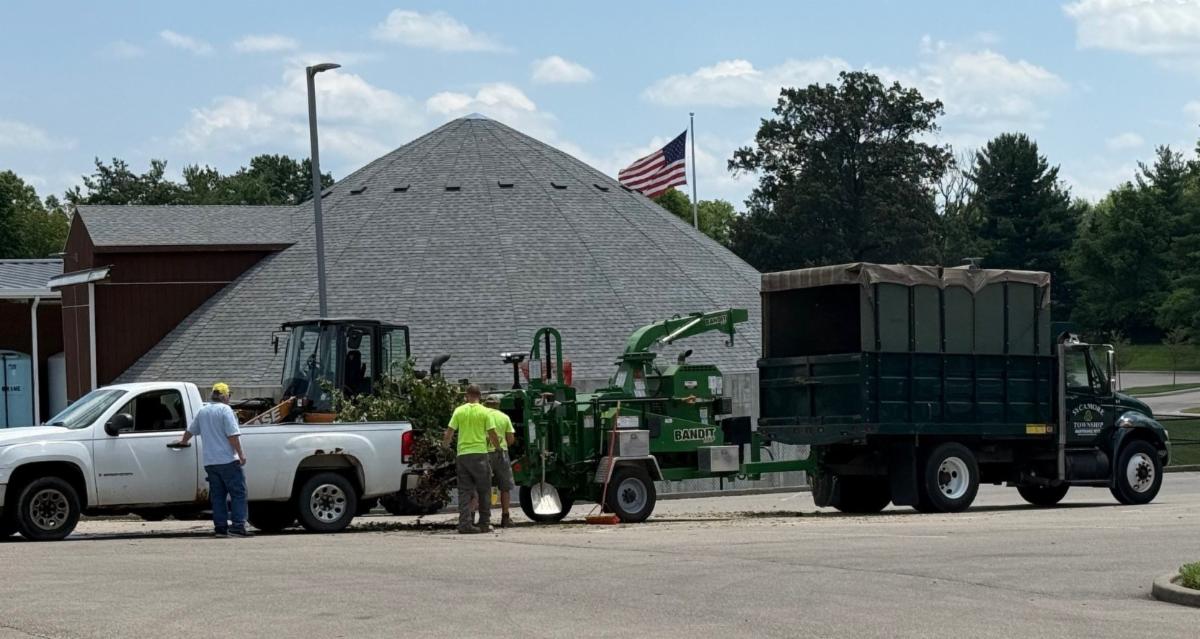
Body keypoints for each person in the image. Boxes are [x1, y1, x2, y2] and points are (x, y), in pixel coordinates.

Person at [176, 382, 250, 538]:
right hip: (227, 460)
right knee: (238, 493)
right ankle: (238, 526)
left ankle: (220, 528)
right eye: (229, 395)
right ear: (223, 396)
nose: (229, 398)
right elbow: (232, 435)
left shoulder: (202, 411)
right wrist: (241, 454)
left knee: (218, 496)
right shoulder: (225, 410)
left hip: (210, 462)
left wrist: (183, 442)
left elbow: (190, 430)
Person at [442, 384, 499, 534]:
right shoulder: (485, 412)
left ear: (467, 396)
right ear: (480, 396)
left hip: (463, 456)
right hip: (480, 454)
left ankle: (465, 524)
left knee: (465, 491)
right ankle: (484, 523)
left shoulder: (459, 411)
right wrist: (498, 448)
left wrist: (445, 447)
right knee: (484, 490)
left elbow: (449, 432)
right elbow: (492, 433)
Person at [484, 395, 517, 528]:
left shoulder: (482, 416)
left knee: (484, 488)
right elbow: (511, 439)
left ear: (486, 404)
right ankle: (505, 517)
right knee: (505, 487)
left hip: (484, 453)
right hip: (501, 454)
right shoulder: (504, 417)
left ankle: (485, 518)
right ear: (498, 405)